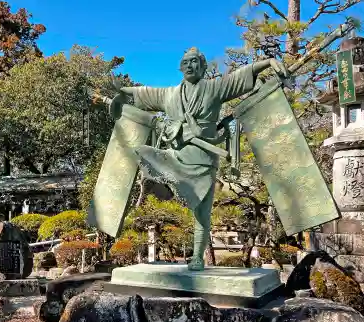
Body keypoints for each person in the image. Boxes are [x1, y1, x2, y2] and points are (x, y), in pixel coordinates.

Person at [119, 47, 288, 270]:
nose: (190, 65)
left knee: (202, 212)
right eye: (186, 62)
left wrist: (266, 63)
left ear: (203, 66)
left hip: (203, 158)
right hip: (176, 155)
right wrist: (121, 92)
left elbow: (239, 78)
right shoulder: (169, 94)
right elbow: (143, 93)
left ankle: (197, 257)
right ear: (180, 67)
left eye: (195, 62)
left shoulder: (215, 88)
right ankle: (163, 186)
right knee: (142, 152)